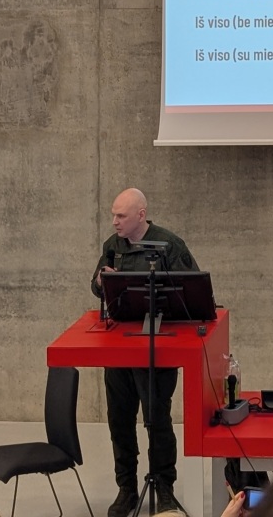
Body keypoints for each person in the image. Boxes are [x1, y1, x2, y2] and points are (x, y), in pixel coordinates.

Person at [90, 188, 198, 517]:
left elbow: (192, 290)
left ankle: (164, 489)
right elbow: (95, 285)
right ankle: (126, 489)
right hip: (119, 348)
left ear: (141, 215)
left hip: (156, 347)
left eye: (121, 216)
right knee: (119, 421)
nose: (115, 221)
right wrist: (101, 281)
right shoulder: (113, 245)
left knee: (157, 420)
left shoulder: (169, 244)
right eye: (113, 215)